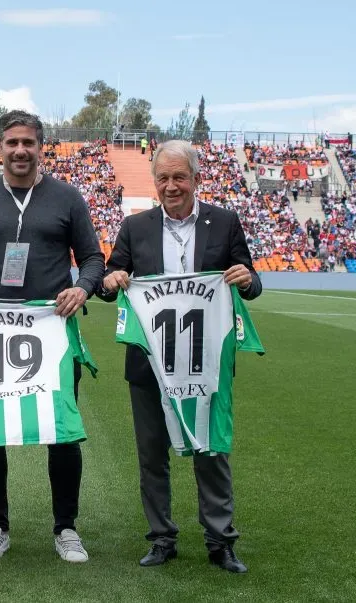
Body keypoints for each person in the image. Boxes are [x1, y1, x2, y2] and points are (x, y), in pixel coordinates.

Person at [0, 109, 105, 563]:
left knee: (62, 431)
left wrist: (82, 287)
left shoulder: (67, 198)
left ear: (40, 147)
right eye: (11, 142)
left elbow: (92, 259)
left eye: (28, 142)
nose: (20, 150)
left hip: (50, 327)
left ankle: (66, 528)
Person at [95, 140, 261, 574]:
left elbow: (251, 282)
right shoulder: (136, 226)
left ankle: (220, 540)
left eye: (179, 177)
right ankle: (162, 537)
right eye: (163, 178)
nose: (171, 186)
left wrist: (246, 278)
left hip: (204, 362)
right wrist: (113, 279)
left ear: (196, 179)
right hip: (149, 361)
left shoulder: (224, 223)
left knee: (211, 448)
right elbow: (112, 276)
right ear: (154, 182)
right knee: (152, 454)